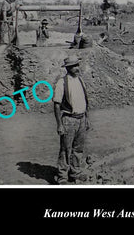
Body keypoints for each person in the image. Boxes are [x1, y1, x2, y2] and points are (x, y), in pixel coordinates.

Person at [53, 56, 90, 184]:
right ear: (68, 68)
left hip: (81, 118)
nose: (77, 68)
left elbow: (85, 100)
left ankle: (75, 173)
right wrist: (59, 125)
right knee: (65, 149)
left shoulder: (80, 80)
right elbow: (56, 104)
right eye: (74, 66)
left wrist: (87, 118)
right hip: (69, 119)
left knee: (78, 148)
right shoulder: (61, 83)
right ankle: (62, 176)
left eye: (77, 65)